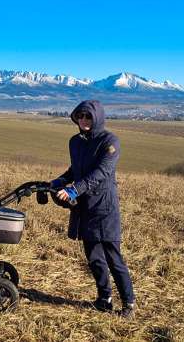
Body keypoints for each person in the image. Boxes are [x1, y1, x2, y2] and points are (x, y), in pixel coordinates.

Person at [50, 100, 136, 318]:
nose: (84, 120)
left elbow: (101, 172)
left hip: (104, 209)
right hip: (85, 208)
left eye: (88, 116)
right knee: (94, 258)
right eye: (80, 116)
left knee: (113, 258)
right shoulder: (75, 143)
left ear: (97, 118)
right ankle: (104, 298)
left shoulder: (110, 141)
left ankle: (128, 303)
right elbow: (75, 170)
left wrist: (73, 190)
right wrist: (57, 182)